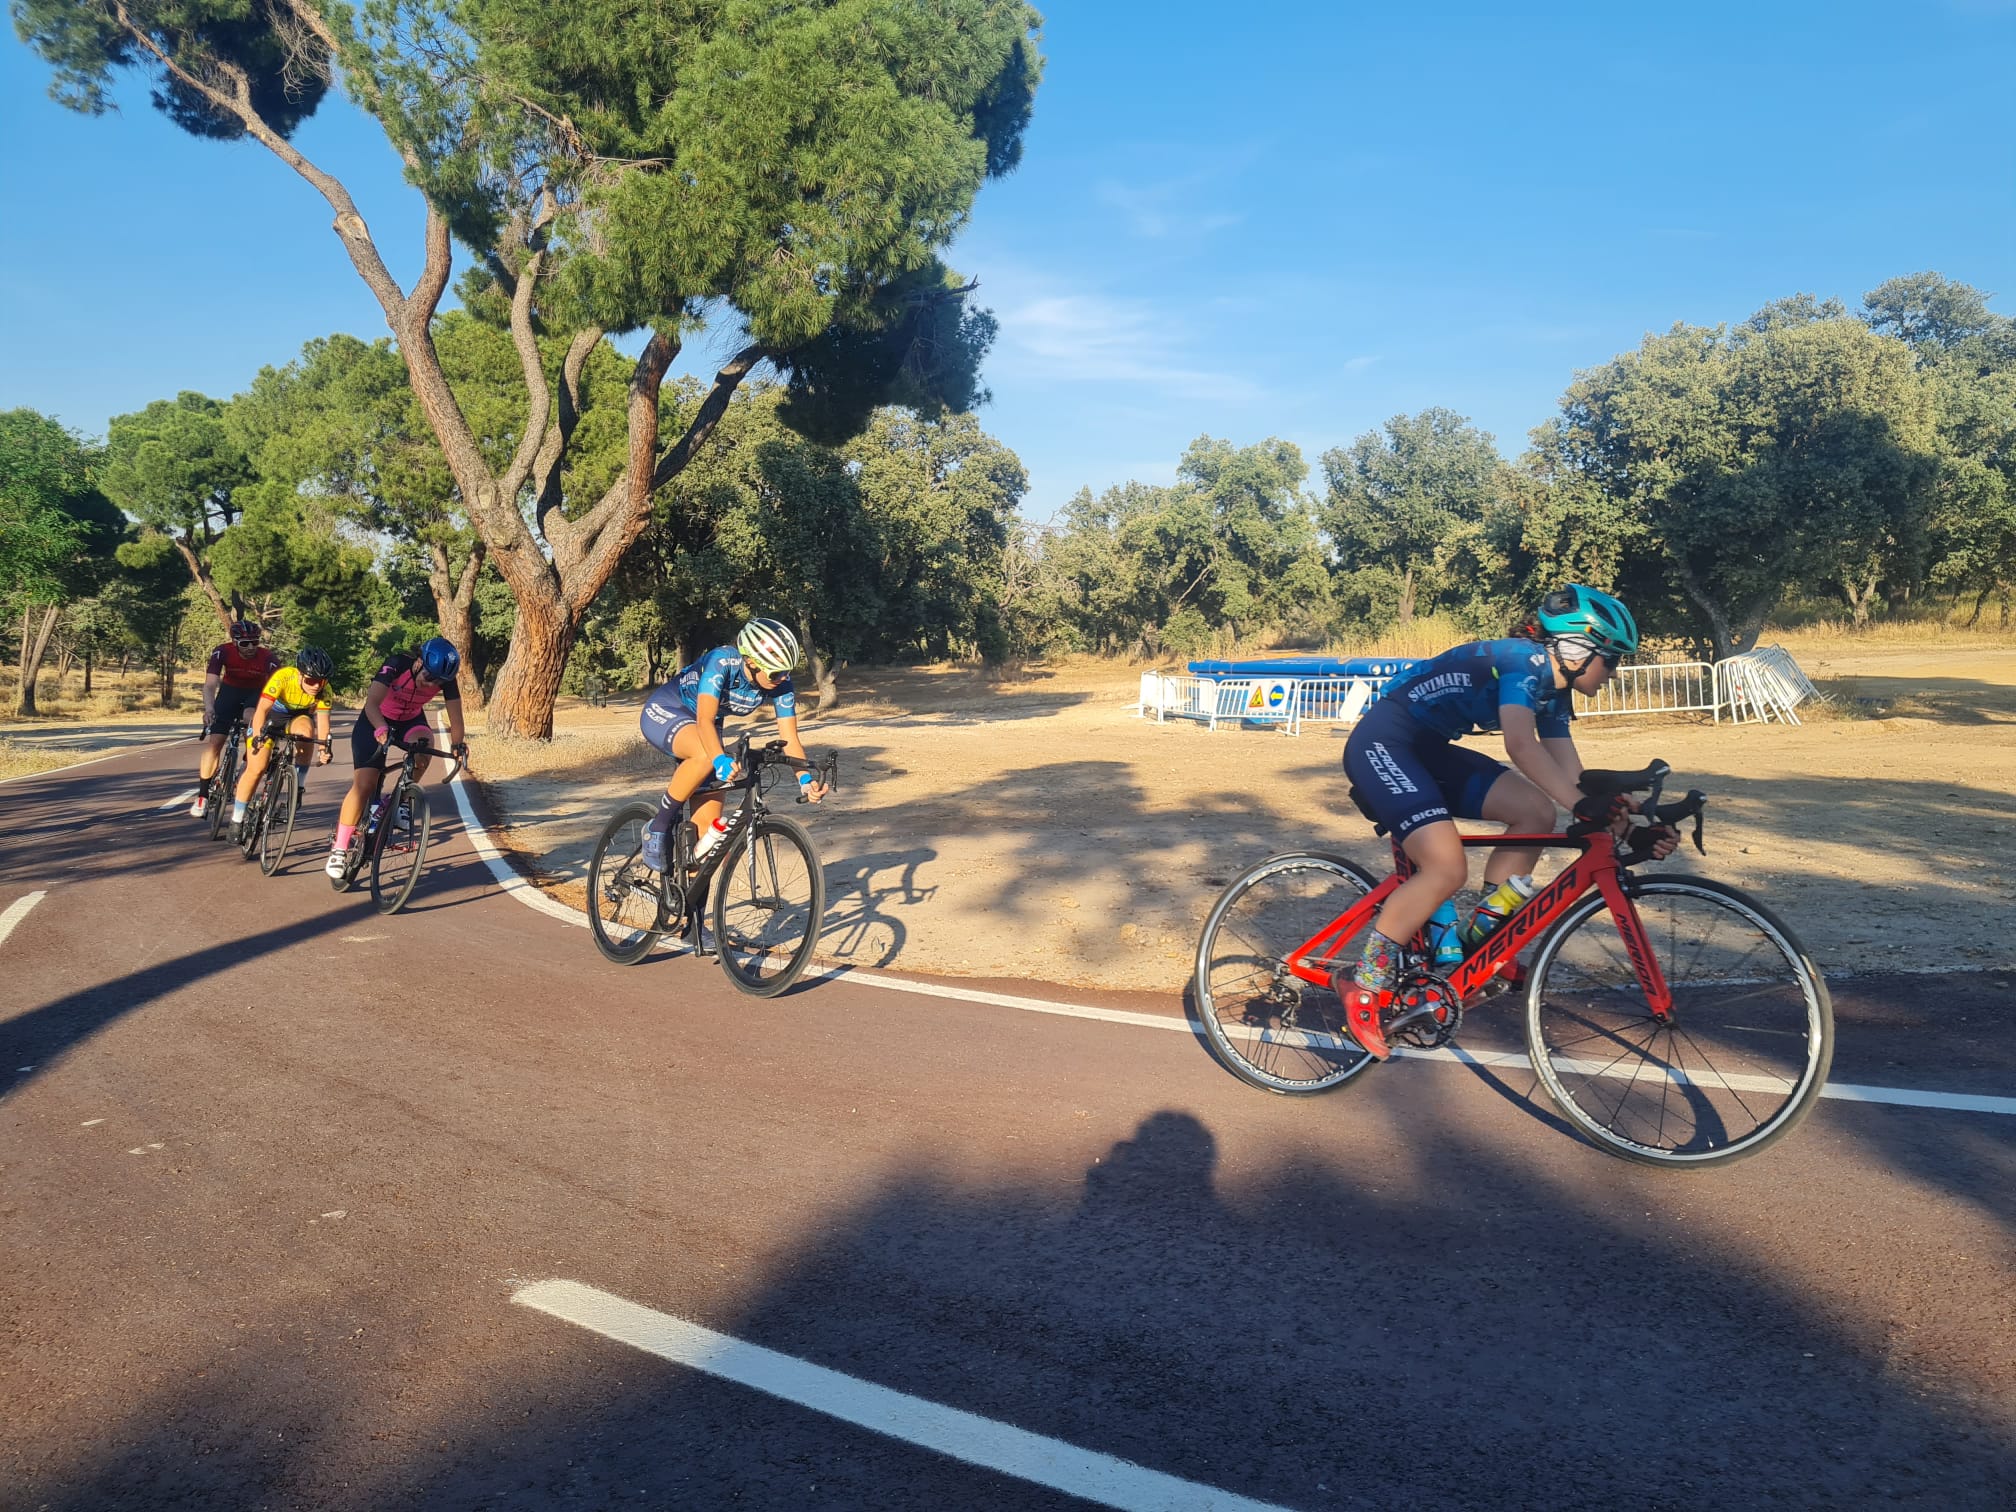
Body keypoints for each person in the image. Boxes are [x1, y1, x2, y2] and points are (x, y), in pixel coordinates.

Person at [1336, 584, 1677, 1061]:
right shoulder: (1525, 663)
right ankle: (1363, 980)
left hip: (1427, 751)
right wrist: (1582, 805)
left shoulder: (1555, 692)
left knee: (1536, 811)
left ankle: (1483, 940)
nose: (1613, 673)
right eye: (1612, 660)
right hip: (1384, 743)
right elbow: (1520, 744)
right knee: (1445, 867)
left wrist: (1633, 823)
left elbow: (1572, 777)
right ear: (1578, 650)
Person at [637, 617, 827, 873]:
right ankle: (657, 827)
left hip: (707, 726)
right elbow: (704, 719)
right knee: (706, 755)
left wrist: (804, 779)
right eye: (776, 672)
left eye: (787, 671)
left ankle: (691, 909)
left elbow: (790, 738)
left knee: (709, 848)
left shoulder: (781, 684)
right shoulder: (722, 661)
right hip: (670, 710)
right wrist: (718, 759)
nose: (783, 678)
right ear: (750, 661)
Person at [325, 637, 471, 879]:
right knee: (365, 785)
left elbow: (456, 719)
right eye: (430, 676)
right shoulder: (396, 664)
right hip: (375, 719)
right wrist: (381, 729)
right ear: (418, 661)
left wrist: (457, 744)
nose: (432, 684)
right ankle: (340, 848)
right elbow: (371, 704)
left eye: (439, 682)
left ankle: (401, 800)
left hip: (410, 720)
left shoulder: (446, 679)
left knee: (424, 748)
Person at [227, 647, 336, 842]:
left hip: (296, 718)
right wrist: (259, 736)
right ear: (300, 674)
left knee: (307, 732)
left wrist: (323, 749)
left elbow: (324, 722)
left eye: (322, 681)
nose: (316, 686)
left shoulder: (324, 691)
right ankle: (237, 819)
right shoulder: (283, 677)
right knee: (257, 767)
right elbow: (261, 710)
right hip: (269, 717)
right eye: (311, 680)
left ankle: (299, 787)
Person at [191, 620, 282, 818]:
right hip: (229, 693)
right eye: (244, 644)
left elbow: (278, 689)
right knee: (215, 743)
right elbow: (210, 685)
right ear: (234, 642)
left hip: (255, 694)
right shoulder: (222, 652)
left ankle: (247, 760)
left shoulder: (268, 657)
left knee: (250, 717)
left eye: (254, 642)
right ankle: (203, 795)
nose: (250, 648)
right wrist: (209, 709)